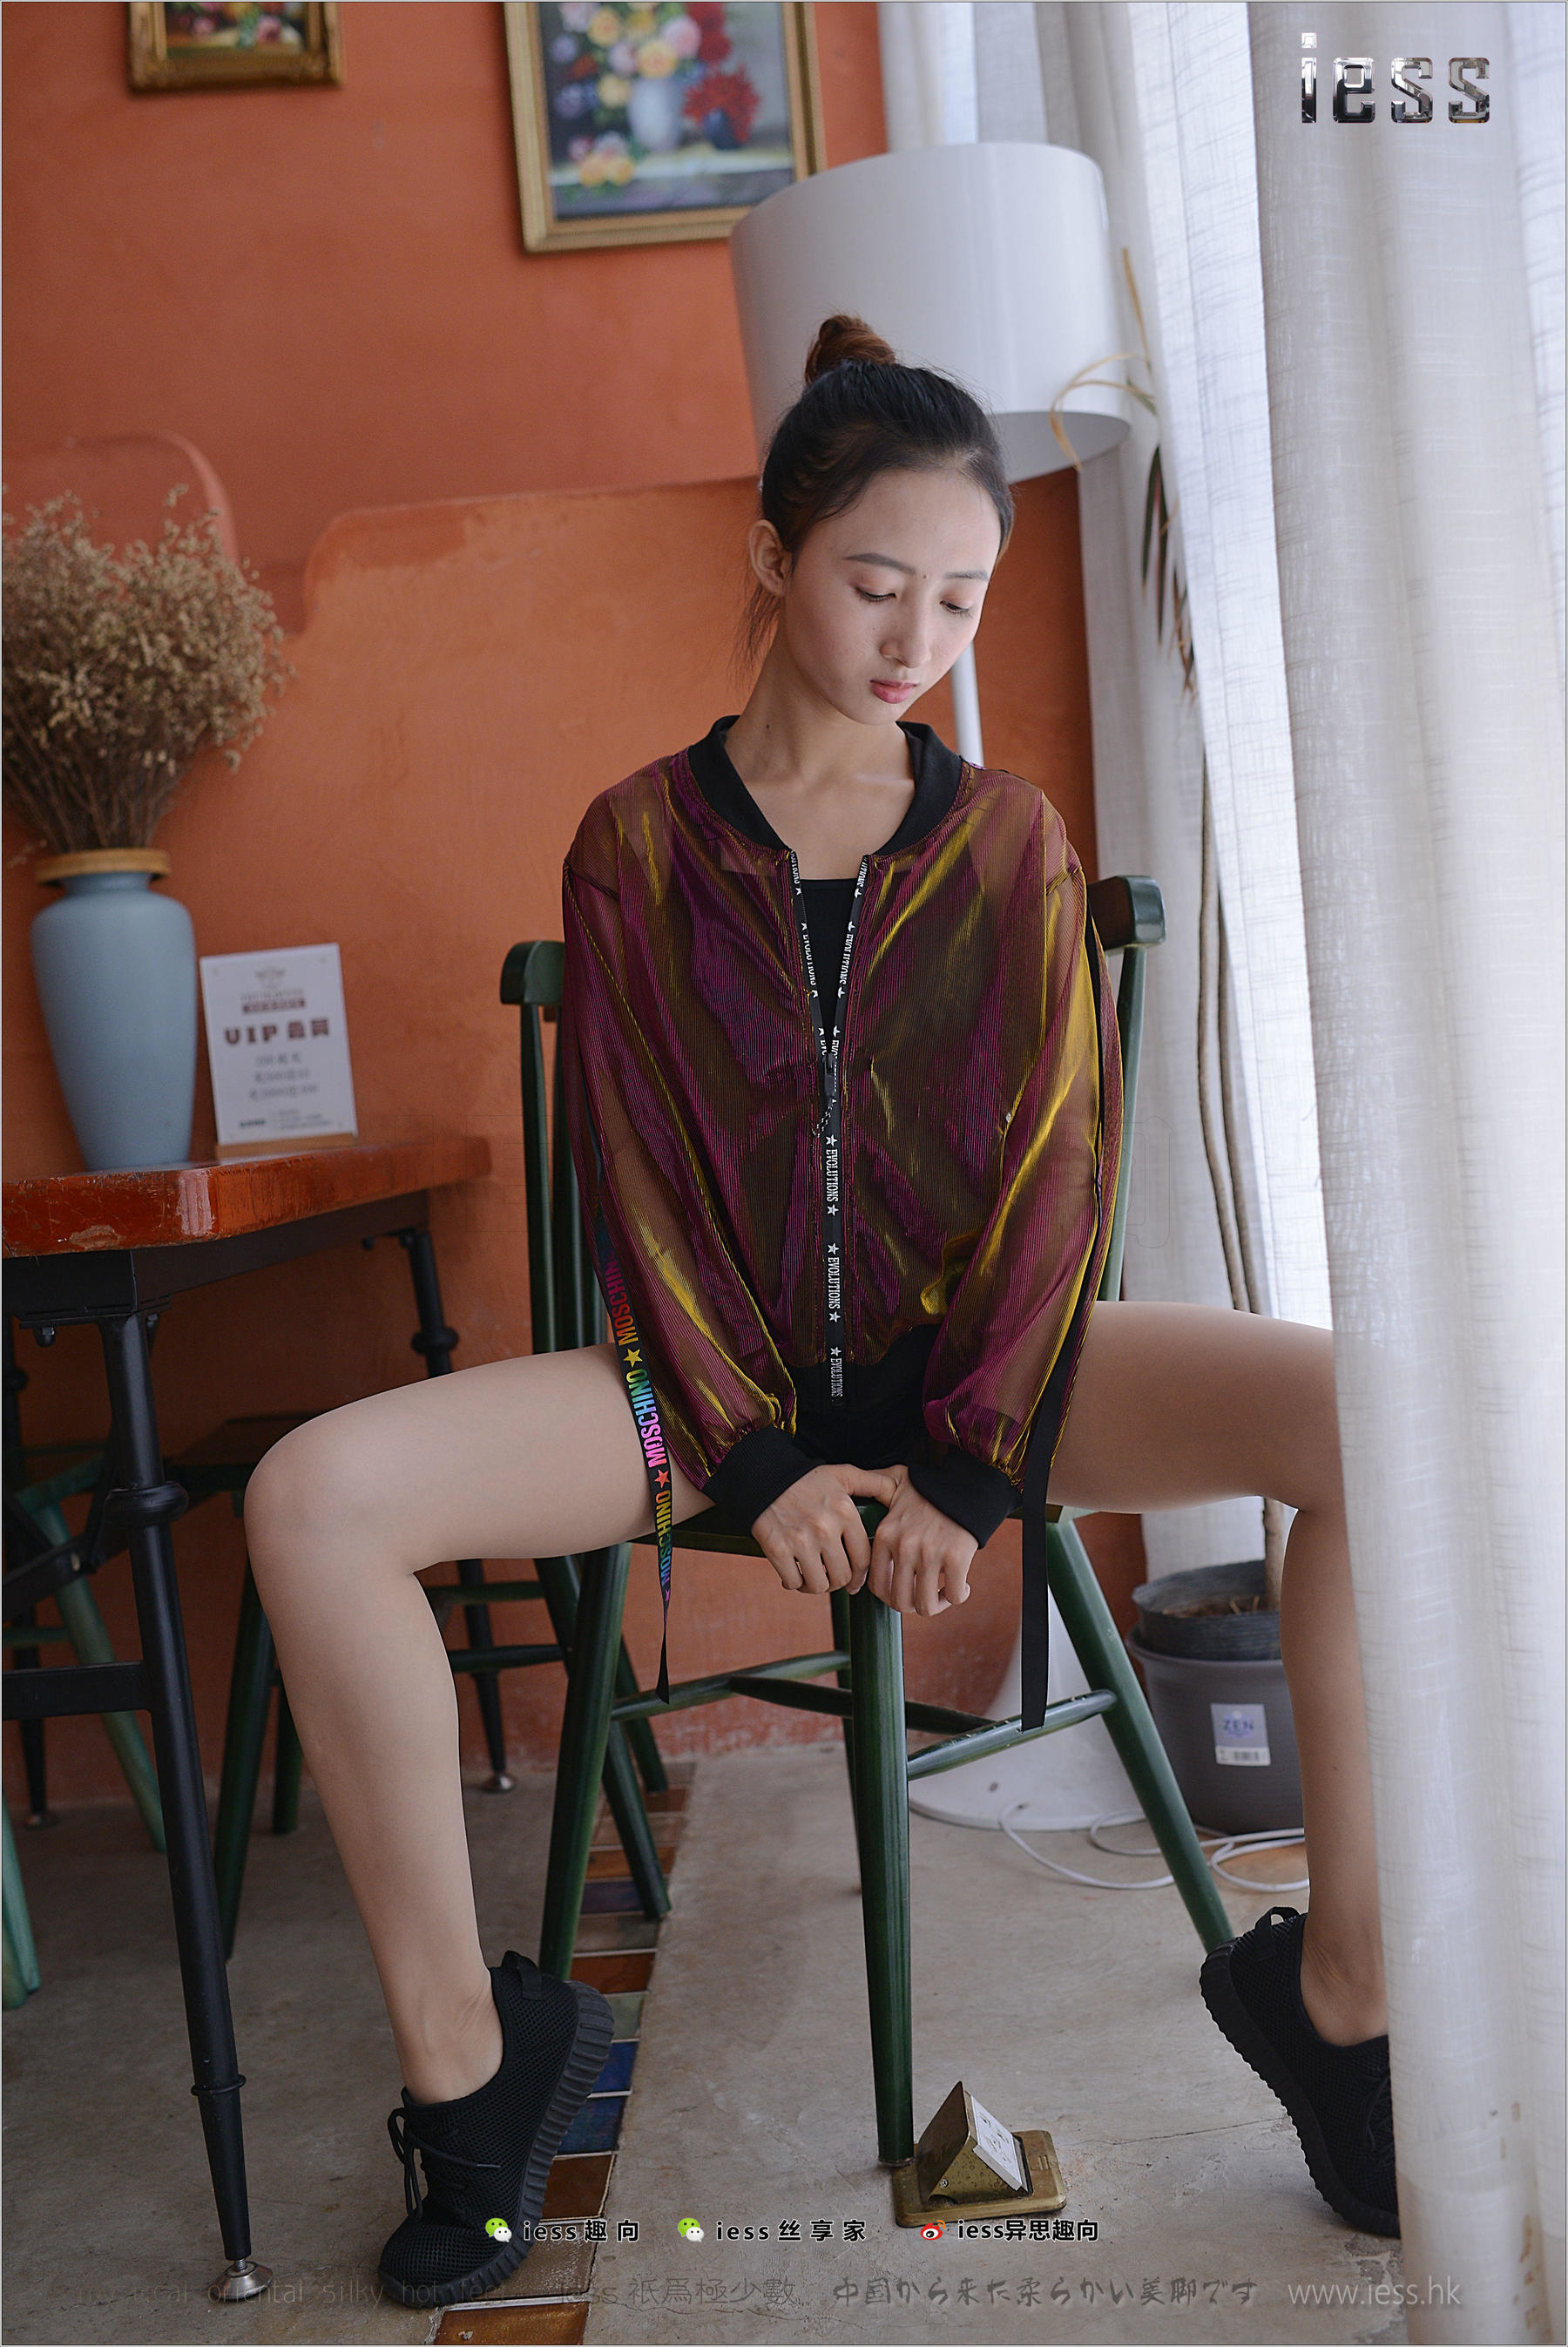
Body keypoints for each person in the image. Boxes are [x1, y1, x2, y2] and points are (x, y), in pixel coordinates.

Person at [244, 314, 1396, 2310]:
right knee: (311, 1497)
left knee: (1388, 1420)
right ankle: (477, 2066)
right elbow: (642, 1180)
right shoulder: (632, 846)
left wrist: (973, 1462)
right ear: (774, 557)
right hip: (702, 1392)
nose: (914, 638)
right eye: (877, 582)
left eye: (959, 597)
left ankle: (1345, 1992)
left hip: (997, 1375)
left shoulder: (1011, 840)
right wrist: (758, 1455)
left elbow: (1057, 1170)